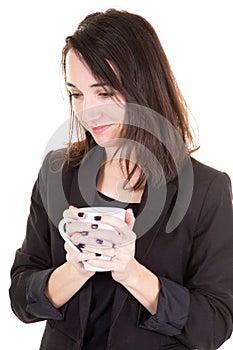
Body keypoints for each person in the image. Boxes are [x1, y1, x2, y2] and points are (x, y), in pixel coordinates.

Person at [9, 9, 233, 350]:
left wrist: (130, 272)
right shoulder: (58, 172)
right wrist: (76, 268)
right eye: (76, 94)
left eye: (104, 92)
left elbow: (214, 324)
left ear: (143, 86)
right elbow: (21, 298)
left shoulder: (206, 190)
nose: (87, 111)